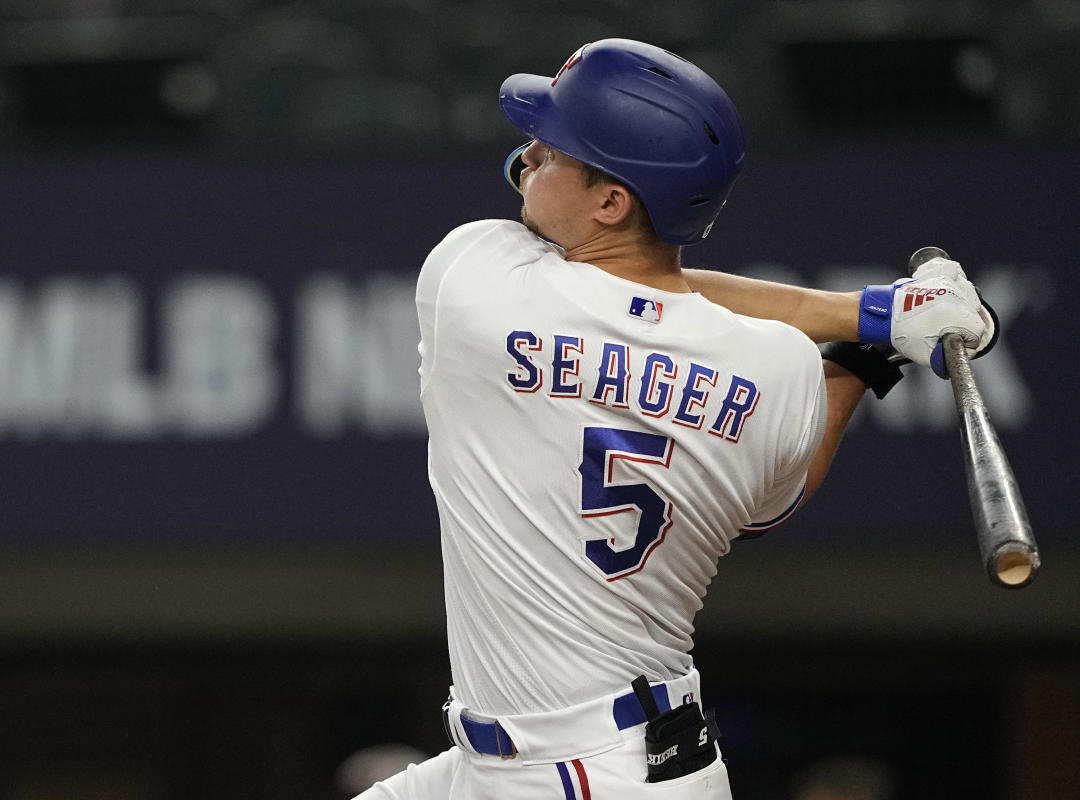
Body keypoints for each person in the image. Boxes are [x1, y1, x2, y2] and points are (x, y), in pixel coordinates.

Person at [355, 38, 993, 800]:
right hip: (573, 759)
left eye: (553, 149)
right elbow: (773, 492)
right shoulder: (776, 368)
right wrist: (871, 340)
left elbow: (630, 298)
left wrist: (862, 316)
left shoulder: (472, 277)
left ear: (612, 201)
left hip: (589, 768)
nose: (528, 156)